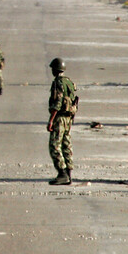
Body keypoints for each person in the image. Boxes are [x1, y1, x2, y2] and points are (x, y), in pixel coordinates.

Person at [47, 57, 78, 186]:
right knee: (66, 144)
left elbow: (58, 103)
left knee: (54, 145)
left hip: (60, 118)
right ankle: (68, 173)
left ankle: (62, 173)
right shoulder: (69, 82)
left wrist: (51, 120)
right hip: (68, 118)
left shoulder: (58, 83)